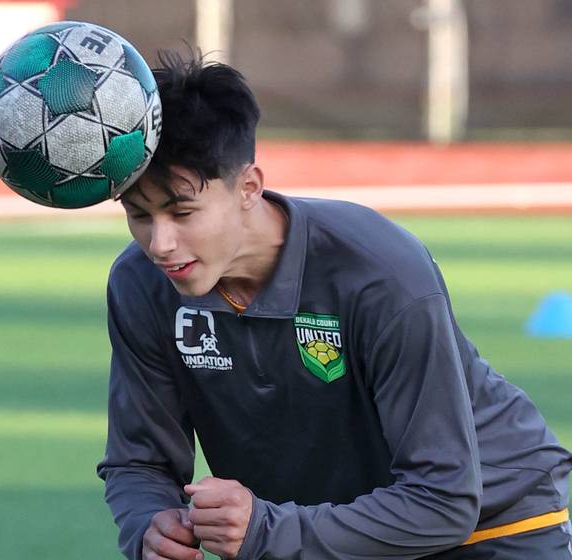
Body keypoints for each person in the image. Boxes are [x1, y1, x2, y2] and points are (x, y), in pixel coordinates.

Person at [96, 52, 572, 560]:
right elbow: (139, 462)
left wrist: (266, 530)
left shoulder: (377, 272)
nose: (160, 243)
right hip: (325, 532)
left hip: (491, 527)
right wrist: (149, 524)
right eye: (139, 214)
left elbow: (445, 500)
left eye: (182, 211)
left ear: (249, 189)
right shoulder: (140, 283)